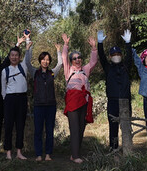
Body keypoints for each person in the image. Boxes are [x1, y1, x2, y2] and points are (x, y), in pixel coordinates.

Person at [61, 33, 99, 163]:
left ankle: (75, 153)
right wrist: (66, 45)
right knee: (74, 127)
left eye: (79, 58)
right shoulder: (68, 70)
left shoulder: (85, 70)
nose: (78, 60)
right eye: (75, 58)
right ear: (71, 61)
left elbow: (93, 61)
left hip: (84, 101)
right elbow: (64, 58)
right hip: (72, 101)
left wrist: (94, 48)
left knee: (81, 127)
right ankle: (75, 156)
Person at [27, 37, 62, 161]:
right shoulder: (34, 73)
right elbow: (27, 63)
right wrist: (28, 48)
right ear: (40, 61)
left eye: (47, 60)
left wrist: (58, 50)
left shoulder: (52, 73)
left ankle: (48, 154)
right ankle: (38, 154)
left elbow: (60, 64)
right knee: (38, 131)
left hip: (51, 106)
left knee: (49, 130)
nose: (45, 61)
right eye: (43, 59)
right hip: (38, 105)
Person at [96, 29, 131, 151]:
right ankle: (114, 149)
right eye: (114, 55)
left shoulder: (126, 66)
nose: (116, 56)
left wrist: (128, 43)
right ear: (111, 56)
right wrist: (100, 43)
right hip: (112, 101)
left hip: (125, 101)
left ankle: (127, 149)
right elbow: (101, 56)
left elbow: (129, 55)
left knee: (126, 126)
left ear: (121, 55)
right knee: (113, 126)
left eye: (118, 54)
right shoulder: (108, 68)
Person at [1, 37, 33, 160]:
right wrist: (6, 99)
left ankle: (19, 152)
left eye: (16, 55)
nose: (14, 57)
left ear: (19, 57)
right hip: (9, 99)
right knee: (8, 126)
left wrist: (27, 39)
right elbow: (3, 88)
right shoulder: (5, 70)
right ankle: (8, 152)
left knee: (20, 125)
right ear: (9, 57)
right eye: (12, 55)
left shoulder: (23, 67)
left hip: (22, 99)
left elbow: (28, 55)